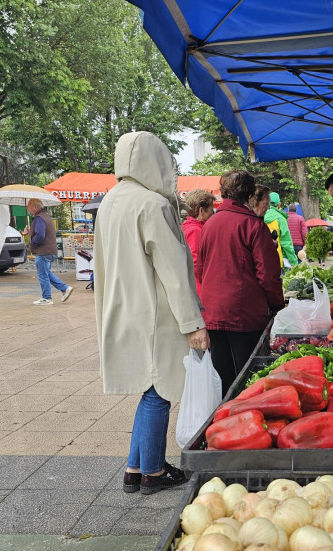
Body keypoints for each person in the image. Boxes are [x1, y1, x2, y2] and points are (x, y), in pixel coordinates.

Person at [95, 131, 208, 494]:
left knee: (148, 387)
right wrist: (193, 323)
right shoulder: (152, 205)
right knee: (159, 389)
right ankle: (153, 472)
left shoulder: (110, 201)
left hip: (122, 306)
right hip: (156, 311)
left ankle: (134, 468)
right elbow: (174, 270)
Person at [197, 170, 284, 395]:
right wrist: (276, 305)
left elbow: (199, 269)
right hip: (244, 315)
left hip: (213, 312)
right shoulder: (253, 226)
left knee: (222, 377)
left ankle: (223, 422)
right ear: (248, 194)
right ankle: (243, 421)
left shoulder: (209, 224)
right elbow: (268, 275)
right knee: (248, 377)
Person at [28, 198, 73, 306]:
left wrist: (32, 241)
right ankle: (65, 288)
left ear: (35, 207)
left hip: (43, 251)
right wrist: (29, 233)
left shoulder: (39, 218)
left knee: (43, 274)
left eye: (28, 206)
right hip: (49, 250)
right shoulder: (45, 216)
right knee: (46, 273)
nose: (27, 209)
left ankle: (46, 297)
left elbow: (40, 236)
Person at [181, 189, 216, 299]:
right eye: (211, 210)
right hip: (200, 291)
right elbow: (195, 263)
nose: (213, 213)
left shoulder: (188, 227)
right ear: (202, 210)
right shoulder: (195, 231)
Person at [250, 185, 284, 270]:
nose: (268, 207)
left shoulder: (259, 220)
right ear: (255, 202)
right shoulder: (251, 223)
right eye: (265, 204)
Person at [264, 193, 297, 268]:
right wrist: (294, 262)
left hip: (262, 260)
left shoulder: (259, 215)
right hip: (279, 260)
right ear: (279, 204)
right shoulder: (280, 219)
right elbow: (286, 243)